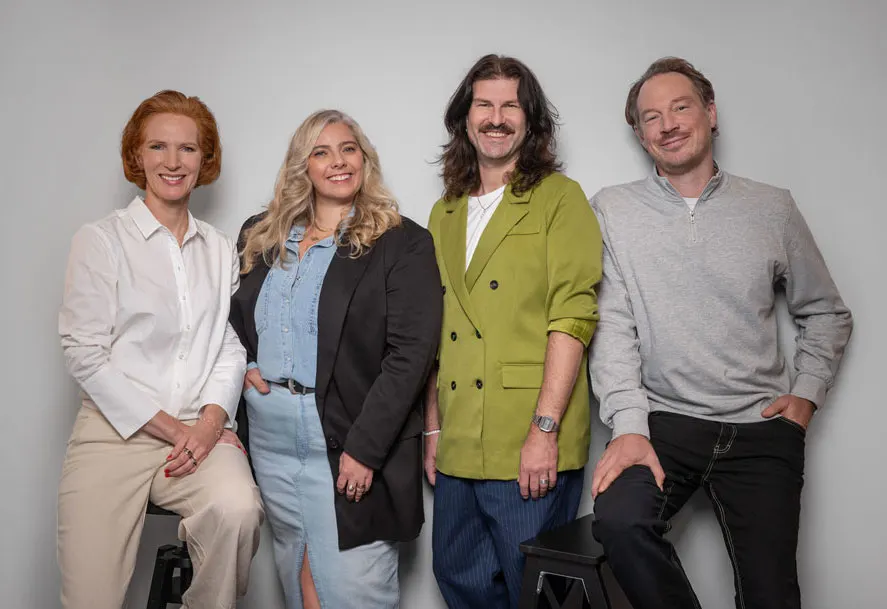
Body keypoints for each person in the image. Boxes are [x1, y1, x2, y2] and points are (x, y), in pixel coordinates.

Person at [588, 57, 854, 609]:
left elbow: (826, 312)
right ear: (640, 134)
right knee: (618, 524)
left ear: (710, 114)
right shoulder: (611, 210)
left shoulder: (771, 206)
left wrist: (805, 397)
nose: (669, 124)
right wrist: (628, 424)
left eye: (681, 107)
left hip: (759, 431)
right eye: (651, 116)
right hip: (663, 422)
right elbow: (611, 326)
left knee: (770, 596)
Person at [57, 90, 263, 609]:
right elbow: (84, 354)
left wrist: (212, 425)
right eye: (158, 147)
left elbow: (229, 345)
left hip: (200, 430)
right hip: (113, 434)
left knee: (238, 510)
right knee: (91, 598)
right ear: (137, 156)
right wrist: (175, 430)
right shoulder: (102, 240)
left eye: (188, 149)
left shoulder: (219, 249)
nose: (173, 162)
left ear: (205, 159)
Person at [229, 109, 442, 609]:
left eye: (349, 149)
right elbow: (230, 320)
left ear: (365, 159)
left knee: (353, 586)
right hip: (271, 438)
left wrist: (366, 449)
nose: (338, 162)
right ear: (302, 166)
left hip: (348, 435)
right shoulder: (261, 235)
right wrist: (245, 368)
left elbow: (411, 354)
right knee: (300, 571)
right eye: (320, 152)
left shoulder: (401, 241)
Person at [425, 54, 603, 608]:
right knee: (461, 582)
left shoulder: (559, 199)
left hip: (527, 436)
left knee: (536, 595)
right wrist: (433, 433)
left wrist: (544, 431)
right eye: (484, 104)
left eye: (511, 106)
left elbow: (572, 317)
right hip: (458, 443)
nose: (496, 118)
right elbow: (434, 331)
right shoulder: (444, 212)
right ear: (465, 117)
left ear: (530, 120)